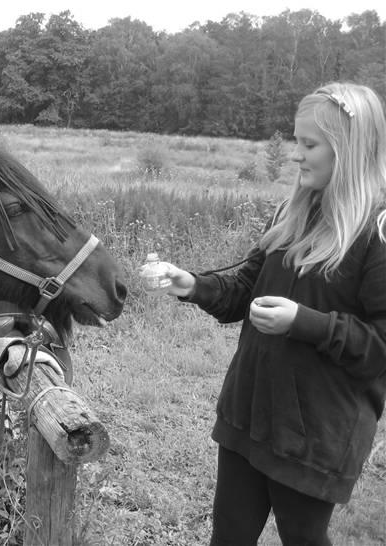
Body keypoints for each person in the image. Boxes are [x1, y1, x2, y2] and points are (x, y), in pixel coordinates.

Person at [145, 82, 386, 545]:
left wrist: (305, 322)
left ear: (350, 150)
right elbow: (243, 290)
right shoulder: (290, 215)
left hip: (315, 435)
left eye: (309, 144)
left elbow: (381, 346)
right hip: (249, 415)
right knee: (229, 537)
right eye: (296, 141)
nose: (296, 155)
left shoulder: (375, 232)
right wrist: (192, 285)